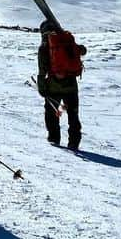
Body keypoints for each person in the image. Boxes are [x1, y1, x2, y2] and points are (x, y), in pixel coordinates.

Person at [37, 16, 87, 150]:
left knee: (51, 114)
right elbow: (83, 51)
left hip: (53, 86)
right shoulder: (67, 43)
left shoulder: (44, 48)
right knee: (73, 114)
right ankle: (74, 142)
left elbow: (42, 71)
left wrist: (42, 88)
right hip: (71, 85)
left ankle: (54, 140)